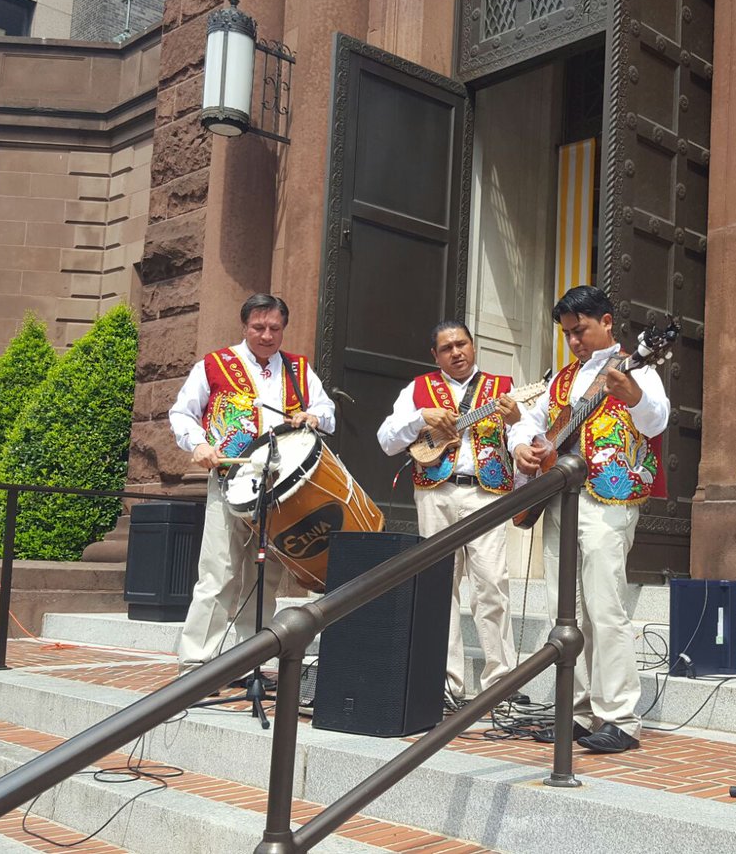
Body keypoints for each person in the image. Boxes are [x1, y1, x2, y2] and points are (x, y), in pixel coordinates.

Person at [510, 285, 670, 754]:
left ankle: (620, 717)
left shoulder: (638, 367)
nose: (574, 341)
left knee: (605, 608)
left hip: (608, 500)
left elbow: (657, 421)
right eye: (567, 334)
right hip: (560, 498)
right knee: (565, 610)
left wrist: (634, 396)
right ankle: (576, 713)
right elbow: (530, 421)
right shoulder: (562, 380)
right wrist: (521, 445)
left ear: (607, 322)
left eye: (580, 330)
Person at [169, 294, 336, 677]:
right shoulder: (214, 364)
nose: (266, 335)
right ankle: (195, 665)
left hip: (281, 488)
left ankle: (250, 663)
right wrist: (198, 444)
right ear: (244, 326)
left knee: (264, 580)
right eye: (258, 327)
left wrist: (313, 416)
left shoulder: (298, 369)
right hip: (229, 481)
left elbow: (327, 411)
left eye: (274, 328)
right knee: (218, 573)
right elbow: (182, 413)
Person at [377, 320, 526, 706]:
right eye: (447, 348)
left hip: (486, 494)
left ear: (473, 346)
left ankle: (501, 683)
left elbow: (522, 439)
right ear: (435, 355)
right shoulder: (418, 390)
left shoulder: (504, 387)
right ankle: (444, 683)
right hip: (435, 493)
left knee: (492, 584)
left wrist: (516, 421)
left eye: (462, 344)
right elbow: (386, 440)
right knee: (439, 586)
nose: (456, 352)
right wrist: (420, 418)